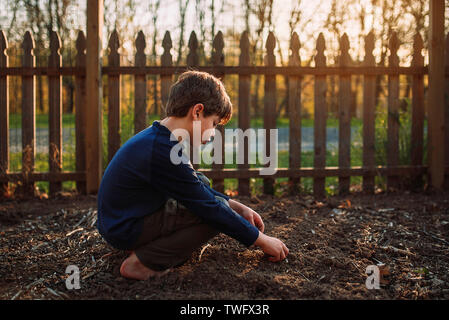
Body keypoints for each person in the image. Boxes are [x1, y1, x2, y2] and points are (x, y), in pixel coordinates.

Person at [96, 70, 289, 280]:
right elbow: (207, 207)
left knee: (203, 183)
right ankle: (142, 263)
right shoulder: (163, 150)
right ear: (197, 111)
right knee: (213, 216)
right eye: (214, 123)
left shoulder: (160, 139)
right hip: (125, 228)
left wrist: (237, 206)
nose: (214, 132)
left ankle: (147, 246)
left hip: (123, 220)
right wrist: (261, 240)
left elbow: (195, 186)